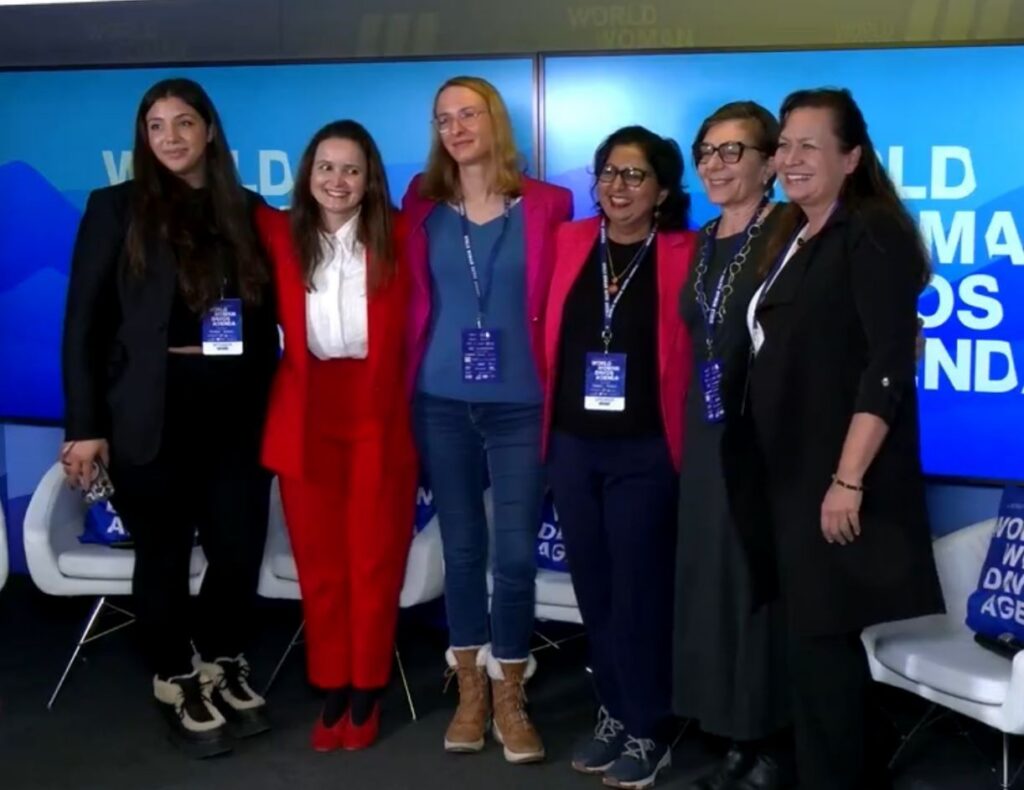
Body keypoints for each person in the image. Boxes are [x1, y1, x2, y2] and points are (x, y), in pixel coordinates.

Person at [61, 77, 277, 757]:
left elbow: (270, 316)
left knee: (237, 546)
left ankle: (220, 657)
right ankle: (174, 675)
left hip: (235, 408)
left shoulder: (247, 209)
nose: (171, 137)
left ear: (209, 130)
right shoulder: (115, 208)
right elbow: (83, 323)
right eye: (156, 126)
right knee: (163, 552)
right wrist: (84, 426)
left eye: (184, 122)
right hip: (150, 409)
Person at [740, 87, 943, 790]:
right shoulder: (794, 232)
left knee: (821, 645)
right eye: (784, 145)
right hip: (788, 472)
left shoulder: (872, 232)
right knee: (812, 650)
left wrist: (848, 479)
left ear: (851, 158)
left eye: (810, 145)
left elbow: (887, 366)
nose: (791, 159)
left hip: (835, 476)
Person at [402, 75, 573, 763]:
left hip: (522, 404)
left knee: (514, 554)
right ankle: (470, 687)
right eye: (443, 118)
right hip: (440, 400)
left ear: (495, 120)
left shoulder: (550, 203)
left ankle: (510, 690)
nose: (456, 128)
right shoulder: (420, 201)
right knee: (463, 550)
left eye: (468, 114)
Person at [256, 120, 417, 751]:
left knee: (374, 561)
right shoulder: (278, 233)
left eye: (351, 169)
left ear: (370, 178)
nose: (338, 180)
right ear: (307, 174)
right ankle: (331, 683)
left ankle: (367, 686)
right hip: (306, 414)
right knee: (319, 564)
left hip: (380, 415)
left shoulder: (402, 234)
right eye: (326, 167)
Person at [544, 125, 696, 789]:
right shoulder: (570, 242)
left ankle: (650, 725)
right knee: (595, 589)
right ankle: (613, 709)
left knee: (640, 592)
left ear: (662, 190)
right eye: (608, 172)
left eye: (635, 174)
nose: (617, 185)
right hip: (573, 447)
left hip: (646, 450)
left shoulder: (686, 252)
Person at [672, 102, 793, 790]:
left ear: (770, 162)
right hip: (705, 432)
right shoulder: (703, 239)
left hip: (765, 439)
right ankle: (733, 734)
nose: (714, 165)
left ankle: (770, 741)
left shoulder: (790, 233)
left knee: (756, 585)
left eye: (731, 151)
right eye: (706, 152)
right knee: (713, 583)